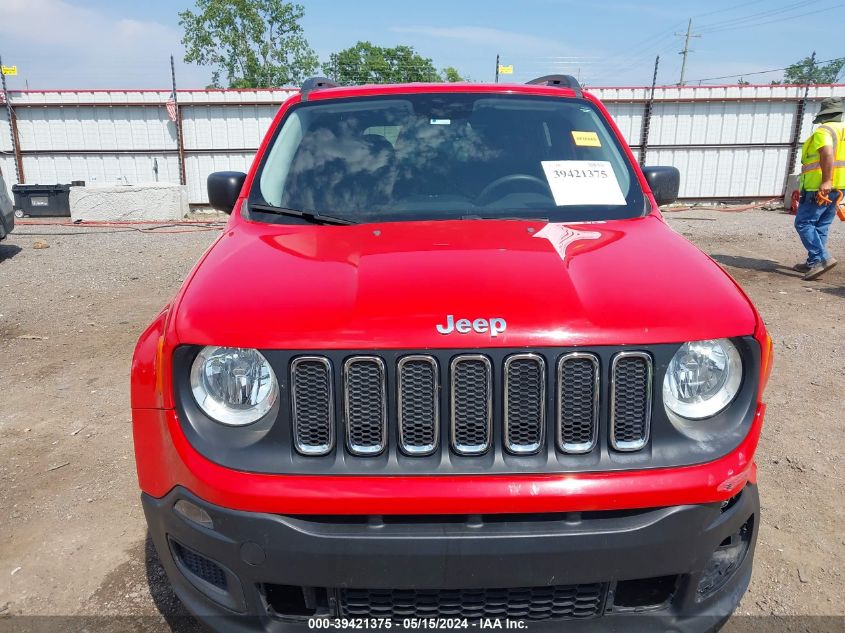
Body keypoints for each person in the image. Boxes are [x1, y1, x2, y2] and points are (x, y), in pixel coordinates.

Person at [794, 96, 844, 280]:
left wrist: (826, 181)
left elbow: (827, 153)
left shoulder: (824, 131)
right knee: (821, 225)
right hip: (840, 186)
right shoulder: (843, 131)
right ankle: (812, 262)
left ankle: (821, 259)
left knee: (804, 223)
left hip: (820, 187)